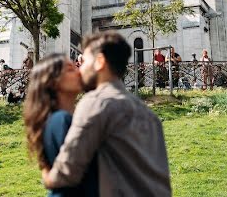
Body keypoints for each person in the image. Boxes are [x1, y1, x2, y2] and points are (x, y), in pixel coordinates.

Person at [42, 30, 171, 196]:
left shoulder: (96, 102)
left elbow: (67, 172)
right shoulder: (150, 116)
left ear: (100, 62)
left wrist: (46, 174)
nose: (80, 69)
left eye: (85, 61)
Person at [24, 54, 97, 196]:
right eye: (71, 69)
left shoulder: (57, 120)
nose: (79, 70)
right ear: (53, 82)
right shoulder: (61, 120)